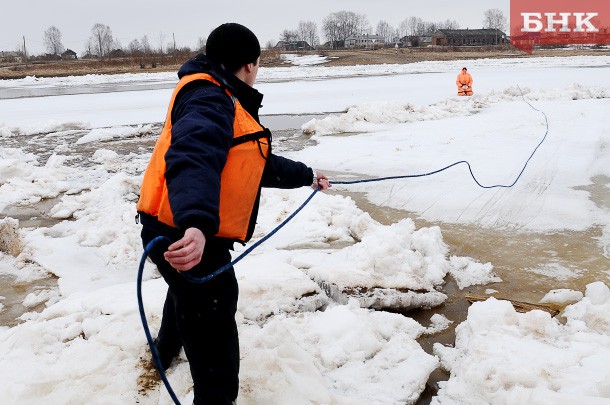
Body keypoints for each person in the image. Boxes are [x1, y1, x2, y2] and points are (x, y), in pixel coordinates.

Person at [136, 23, 331, 404]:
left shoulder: (209, 89)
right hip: (187, 231)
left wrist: (306, 176)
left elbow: (251, 163)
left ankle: (164, 349)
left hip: (169, 225)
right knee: (215, 344)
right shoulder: (212, 99)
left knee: (184, 289)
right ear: (249, 65)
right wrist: (197, 223)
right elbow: (194, 157)